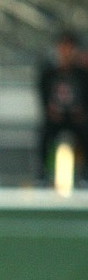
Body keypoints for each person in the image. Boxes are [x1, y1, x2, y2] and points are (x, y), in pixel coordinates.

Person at [37, 30, 88, 185]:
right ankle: (43, 174)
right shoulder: (49, 71)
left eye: (69, 47)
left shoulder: (81, 72)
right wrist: (50, 108)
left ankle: (85, 174)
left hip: (76, 117)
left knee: (85, 132)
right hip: (56, 117)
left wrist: (82, 110)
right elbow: (43, 93)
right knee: (44, 134)